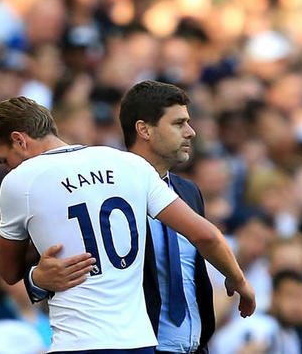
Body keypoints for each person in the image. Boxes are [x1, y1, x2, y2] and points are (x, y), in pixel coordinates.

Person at [0, 96, 255, 354]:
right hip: (140, 341)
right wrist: (238, 280)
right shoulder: (130, 165)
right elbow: (206, 235)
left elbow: (8, 271)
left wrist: (37, 277)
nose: (7, 168)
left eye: (4, 159)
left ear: (19, 140)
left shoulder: (20, 181)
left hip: (78, 342)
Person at [28, 80, 218, 353]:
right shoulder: (98, 193)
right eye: (178, 124)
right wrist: (36, 280)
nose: (191, 132)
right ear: (144, 130)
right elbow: (44, 265)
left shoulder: (189, 192)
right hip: (136, 346)